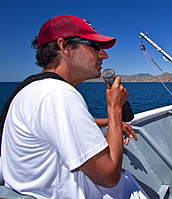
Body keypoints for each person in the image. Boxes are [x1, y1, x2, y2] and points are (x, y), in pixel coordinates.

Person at [1, 15, 147, 198]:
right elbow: (109, 176)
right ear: (65, 47)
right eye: (95, 46)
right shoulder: (58, 94)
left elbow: (60, 126)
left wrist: (109, 122)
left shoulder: (35, 88)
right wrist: (115, 109)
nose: (104, 55)